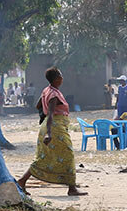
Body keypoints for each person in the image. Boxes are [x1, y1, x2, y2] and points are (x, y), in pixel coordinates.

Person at [16, 68, 86, 197]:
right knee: (68, 154)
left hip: (49, 126)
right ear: (57, 78)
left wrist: (45, 114)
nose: (62, 78)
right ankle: (72, 188)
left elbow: (38, 106)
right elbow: (52, 114)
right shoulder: (54, 95)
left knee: (43, 157)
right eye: (61, 76)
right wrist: (49, 133)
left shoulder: (47, 90)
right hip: (54, 128)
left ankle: (22, 181)